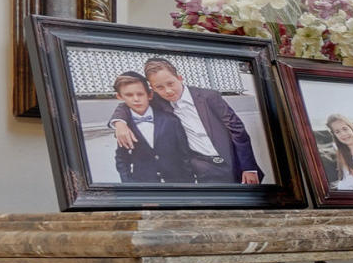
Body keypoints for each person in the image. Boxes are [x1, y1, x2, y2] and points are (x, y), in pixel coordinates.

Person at [127, 57, 262, 185]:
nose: (167, 91)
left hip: (233, 163)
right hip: (203, 168)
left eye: (170, 83)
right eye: (159, 87)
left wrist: (248, 167)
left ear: (180, 78)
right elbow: (127, 104)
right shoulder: (159, 102)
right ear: (153, 89)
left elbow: (237, 130)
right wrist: (119, 123)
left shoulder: (208, 97)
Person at [105, 71, 168, 184]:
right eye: (129, 95)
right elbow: (122, 159)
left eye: (140, 94)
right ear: (119, 96)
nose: (136, 99)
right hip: (145, 182)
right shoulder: (126, 124)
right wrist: (130, 184)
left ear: (150, 94)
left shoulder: (165, 110)